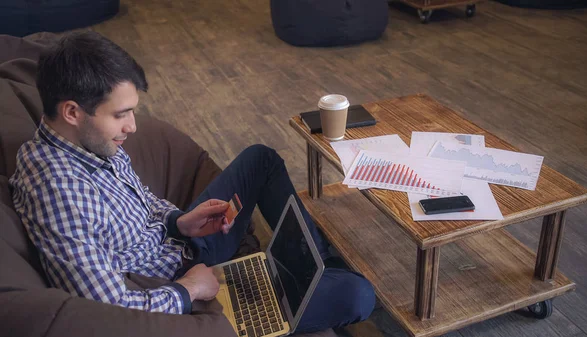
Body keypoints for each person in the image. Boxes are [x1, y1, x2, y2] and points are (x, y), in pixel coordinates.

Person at [9, 31, 375, 333]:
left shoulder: (88, 142)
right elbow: (110, 310)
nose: (132, 127)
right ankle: (316, 277)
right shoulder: (57, 191)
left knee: (261, 159)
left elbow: (143, 201)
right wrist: (188, 291)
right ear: (72, 112)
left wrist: (179, 221)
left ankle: (309, 269)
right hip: (178, 287)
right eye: (121, 115)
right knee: (358, 294)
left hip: (183, 243)